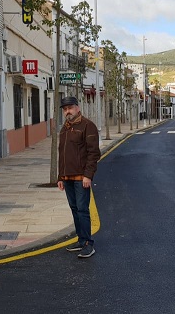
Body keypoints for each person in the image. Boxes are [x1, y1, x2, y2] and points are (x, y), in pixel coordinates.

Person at [57, 96, 101, 258]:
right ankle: (81, 240)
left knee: (83, 210)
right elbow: (62, 154)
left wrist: (88, 175)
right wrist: (60, 177)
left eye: (70, 108)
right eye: (65, 109)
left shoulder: (88, 126)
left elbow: (93, 153)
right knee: (75, 209)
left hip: (81, 178)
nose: (67, 111)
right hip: (67, 178)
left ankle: (89, 243)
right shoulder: (65, 128)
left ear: (77, 108)